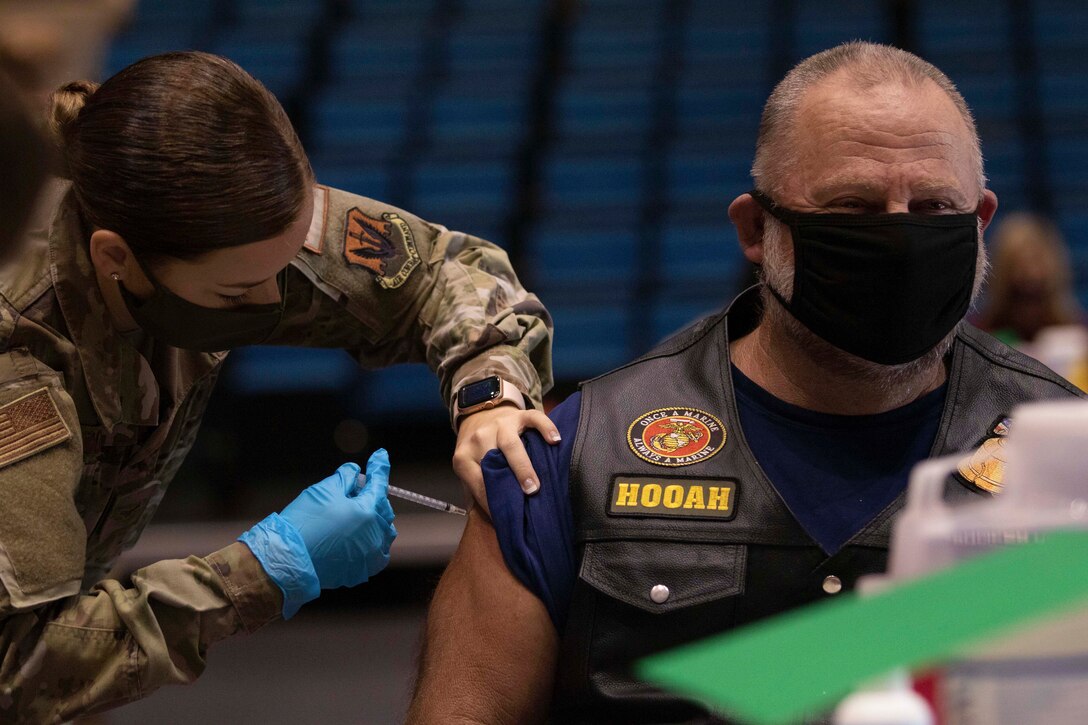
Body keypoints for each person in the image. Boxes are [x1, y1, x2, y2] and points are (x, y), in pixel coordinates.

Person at [407, 42, 1087, 724]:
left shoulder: (1070, 454)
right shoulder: (572, 459)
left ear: (980, 226)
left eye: (934, 206)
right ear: (757, 229)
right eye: (853, 207)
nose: (899, 242)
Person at [0, 51, 557, 721]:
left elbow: (442, 274)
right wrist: (262, 569)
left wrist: (488, 394)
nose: (275, 299)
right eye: (239, 291)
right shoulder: (20, 361)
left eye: (285, 263)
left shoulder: (210, 199)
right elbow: (20, 664)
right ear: (116, 259)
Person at [975, 212, 1087, 347]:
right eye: (1019, 265)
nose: (1030, 273)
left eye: (1036, 262)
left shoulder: (1077, 330)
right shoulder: (981, 335)